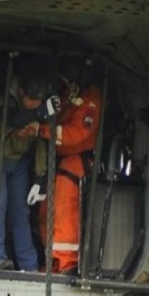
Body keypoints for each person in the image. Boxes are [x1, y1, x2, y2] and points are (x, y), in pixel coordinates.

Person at [0, 65, 58, 272]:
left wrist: (40, 178)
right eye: (33, 99)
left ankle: (29, 265)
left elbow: (41, 141)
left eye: (40, 101)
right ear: (21, 93)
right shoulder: (1, 101)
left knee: (21, 211)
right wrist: (40, 112)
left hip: (18, 162)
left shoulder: (35, 110)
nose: (36, 104)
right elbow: (9, 117)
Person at [31, 56, 103, 274]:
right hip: (57, 162)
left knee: (64, 213)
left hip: (76, 164)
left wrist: (42, 130)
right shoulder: (68, 95)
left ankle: (67, 262)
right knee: (46, 211)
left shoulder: (91, 100)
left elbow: (76, 135)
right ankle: (52, 260)